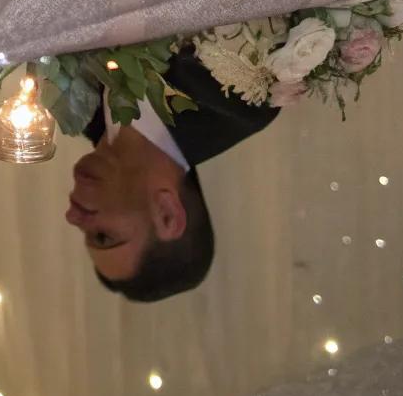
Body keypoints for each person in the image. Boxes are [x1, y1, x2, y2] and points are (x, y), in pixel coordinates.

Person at [65, 49, 278, 301]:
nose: (73, 217)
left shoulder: (72, 104)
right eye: (103, 236)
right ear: (167, 213)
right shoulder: (246, 102)